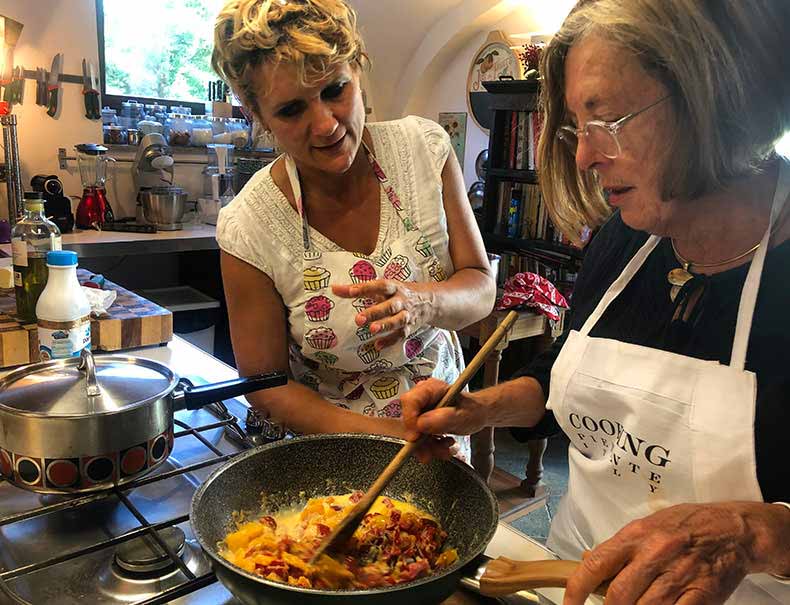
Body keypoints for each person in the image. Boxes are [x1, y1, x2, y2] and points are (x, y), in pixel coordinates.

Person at [402, 1, 790, 603]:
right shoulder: (625, 237)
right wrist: (478, 410)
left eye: (606, 119)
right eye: (576, 127)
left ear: (717, 99)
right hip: (570, 577)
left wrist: (756, 531)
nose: (583, 157)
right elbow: (562, 381)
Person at [211, 0, 495, 460]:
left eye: (335, 90)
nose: (324, 124)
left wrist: (422, 303)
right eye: (290, 110)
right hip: (332, 450)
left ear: (358, 71)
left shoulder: (424, 152)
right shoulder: (249, 226)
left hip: (439, 423)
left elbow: (480, 286)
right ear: (259, 116)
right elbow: (268, 386)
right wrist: (387, 433)